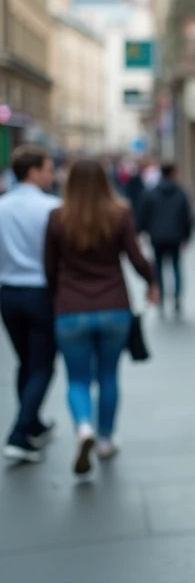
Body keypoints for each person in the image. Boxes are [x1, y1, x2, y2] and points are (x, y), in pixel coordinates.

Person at [44, 159, 159, 475]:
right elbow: (136, 257)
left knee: (77, 379)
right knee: (108, 376)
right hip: (113, 307)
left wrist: (58, 297)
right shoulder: (119, 214)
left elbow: (49, 268)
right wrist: (152, 282)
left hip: (70, 310)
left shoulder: (57, 218)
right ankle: (106, 439)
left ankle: (84, 428)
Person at [0, 145, 61, 462]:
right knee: (42, 364)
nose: (53, 175)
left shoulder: (3, 206)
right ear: (34, 171)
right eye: (49, 169)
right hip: (40, 293)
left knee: (26, 361)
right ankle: (20, 433)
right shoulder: (52, 207)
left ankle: (33, 423)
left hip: (8, 293)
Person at [137, 162, 193, 316]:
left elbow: (142, 215)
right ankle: (176, 298)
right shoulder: (181, 192)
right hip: (175, 236)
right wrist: (187, 236)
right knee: (175, 267)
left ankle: (160, 297)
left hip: (157, 237)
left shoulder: (150, 193)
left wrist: (139, 232)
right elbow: (187, 217)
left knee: (159, 267)